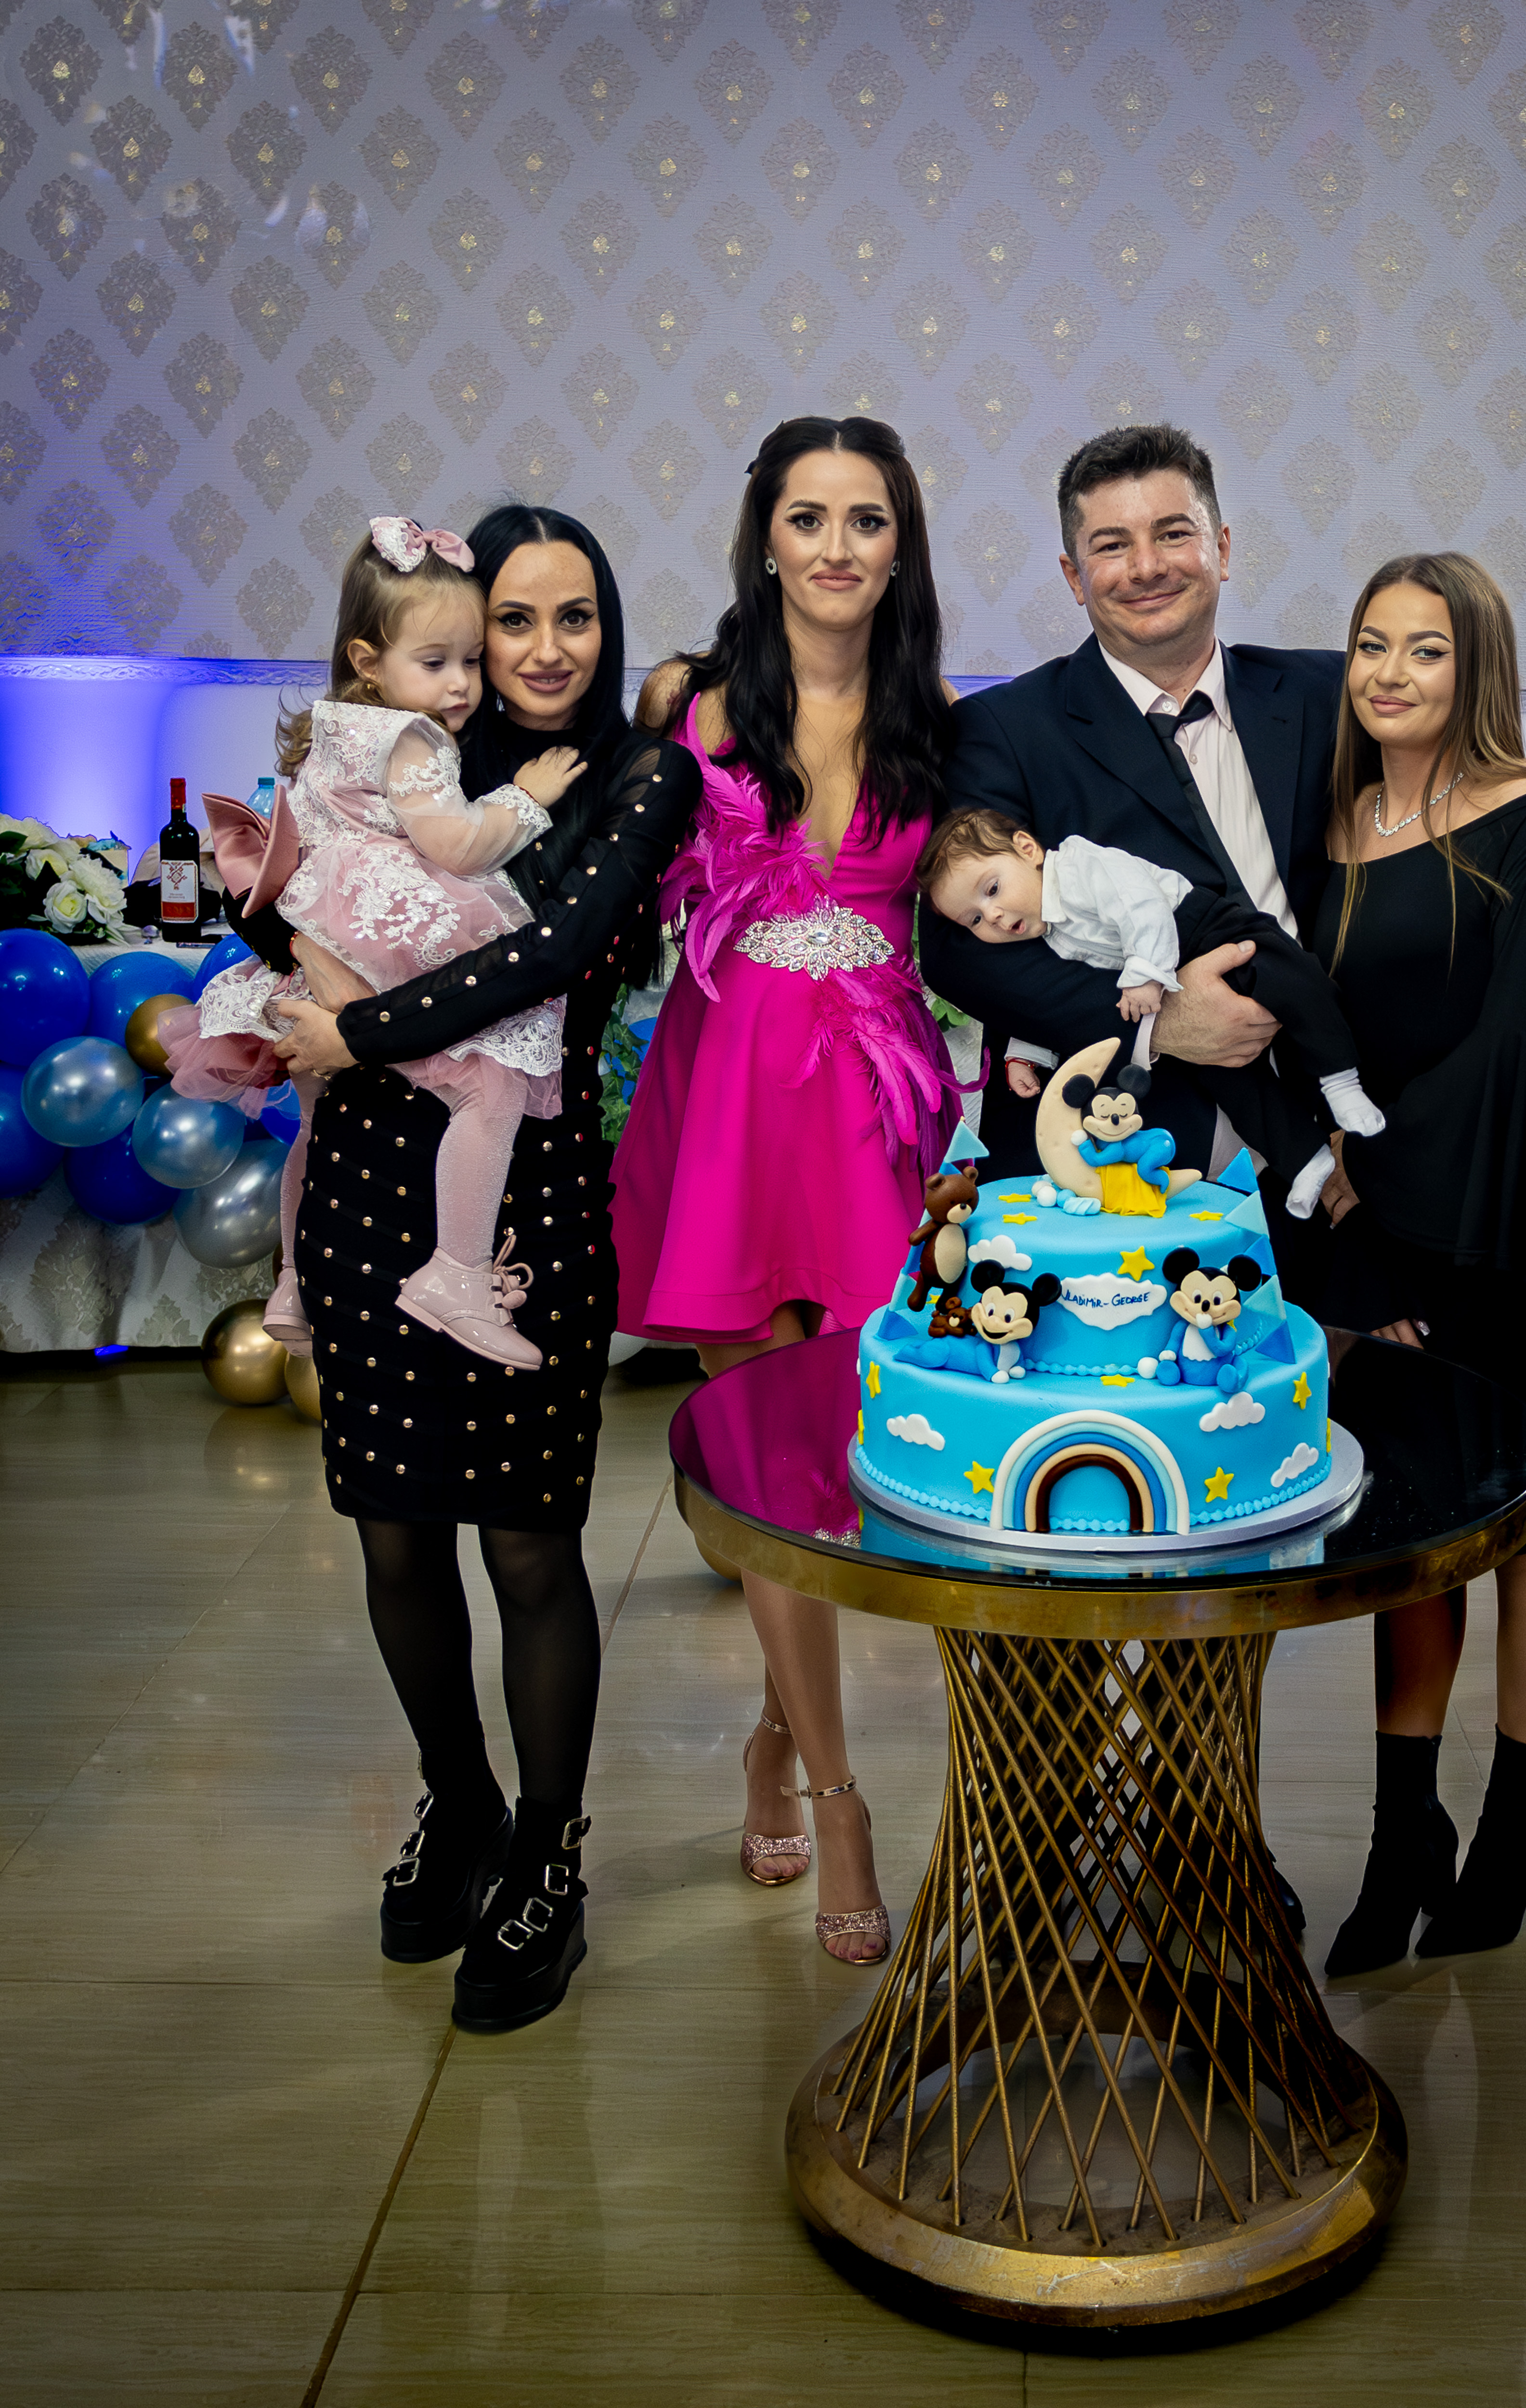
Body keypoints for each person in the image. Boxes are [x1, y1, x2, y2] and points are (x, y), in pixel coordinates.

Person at [248, 504, 701, 2033]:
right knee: (393, 1533)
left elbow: (554, 954)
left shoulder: (641, 777)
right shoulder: (409, 750)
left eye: (577, 617)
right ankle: (463, 1805)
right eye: (514, 618)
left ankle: (549, 1859)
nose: (545, 648)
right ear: (463, 628)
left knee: (525, 1544)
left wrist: (354, 1028)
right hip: (368, 1177)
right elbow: (297, 895)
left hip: (526, 1193)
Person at [917, 423, 1526, 1262]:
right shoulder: (1003, 729)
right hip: (1108, 1164)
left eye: (1173, 533)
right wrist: (1160, 1024)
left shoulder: (1332, 690)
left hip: (1346, 1156)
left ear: (1221, 549)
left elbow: (1470, 781)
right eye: (1111, 545)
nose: (1146, 566)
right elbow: (960, 951)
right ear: (1074, 576)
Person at [611, 415, 959, 1969]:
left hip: (868, 1110)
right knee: (763, 1467)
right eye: (807, 517)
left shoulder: (941, 721)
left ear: (900, 544)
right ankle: (836, 1795)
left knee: (835, 1464)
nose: (835, 546)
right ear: (765, 534)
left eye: (865, 519)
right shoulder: (687, 705)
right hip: (726, 1112)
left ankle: (770, 1734)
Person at [1309, 553, 1526, 1974]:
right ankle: (1399, 1833)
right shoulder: (1328, 820)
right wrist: (1342, 1200)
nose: (1391, 673)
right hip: (1375, 1231)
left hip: (1504, 1219)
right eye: (1372, 643)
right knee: (1409, 1528)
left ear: (1476, 665)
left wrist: (1369, 1176)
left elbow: (1513, 1043)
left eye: (1425, 649)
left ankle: (1516, 1813)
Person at [163, 516, 587, 1369]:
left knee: (313, 1128)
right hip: (380, 943)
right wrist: (525, 799)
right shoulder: (413, 739)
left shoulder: (335, 730)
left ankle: (293, 1279)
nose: (461, 684)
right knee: (492, 1085)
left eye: (471, 660)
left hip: (318, 948)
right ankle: (457, 1271)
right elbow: (456, 845)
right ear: (368, 660)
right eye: (436, 663)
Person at [916, 806, 1383, 1219]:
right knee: (1228, 1077)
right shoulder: (1048, 933)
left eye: (992, 889)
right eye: (974, 919)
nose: (994, 916)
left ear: (1027, 849)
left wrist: (1143, 971)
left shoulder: (1078, 865)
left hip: (1200, 928)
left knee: (1289, 978)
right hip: (1169, 974)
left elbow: (1141, 904)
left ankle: (1341, 1081)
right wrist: (1028, 1053)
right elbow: (1049, 1002)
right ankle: (1304, 1159)